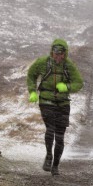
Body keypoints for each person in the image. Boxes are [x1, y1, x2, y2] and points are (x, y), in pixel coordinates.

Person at [27, 38, 83, 175]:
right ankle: (48, 156)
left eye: (61, 54)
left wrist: (66, 87)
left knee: (60, 136)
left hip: (63, 103)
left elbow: (79, 83)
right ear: (52, 52)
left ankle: (56, 165)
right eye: (56, 53)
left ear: (65, 53)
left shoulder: (68, 66)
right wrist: (33, 91)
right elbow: (31, 74)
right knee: (50, 129)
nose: (58, 56)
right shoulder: (43, 63)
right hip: (46, 100)